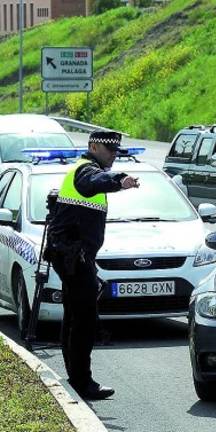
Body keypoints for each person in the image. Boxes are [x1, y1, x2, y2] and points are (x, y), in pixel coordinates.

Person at [45, 131, 140, 399]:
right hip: (73, 255)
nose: (113, 156)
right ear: (94, 146)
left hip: (72, 254)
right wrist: (121, 180)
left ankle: (74, 376)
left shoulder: (85, 169)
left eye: (116, 152)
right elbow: (93, 182)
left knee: (74, 315)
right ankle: (82, 381)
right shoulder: (85, 171)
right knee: (85, 318)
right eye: (109, 151)